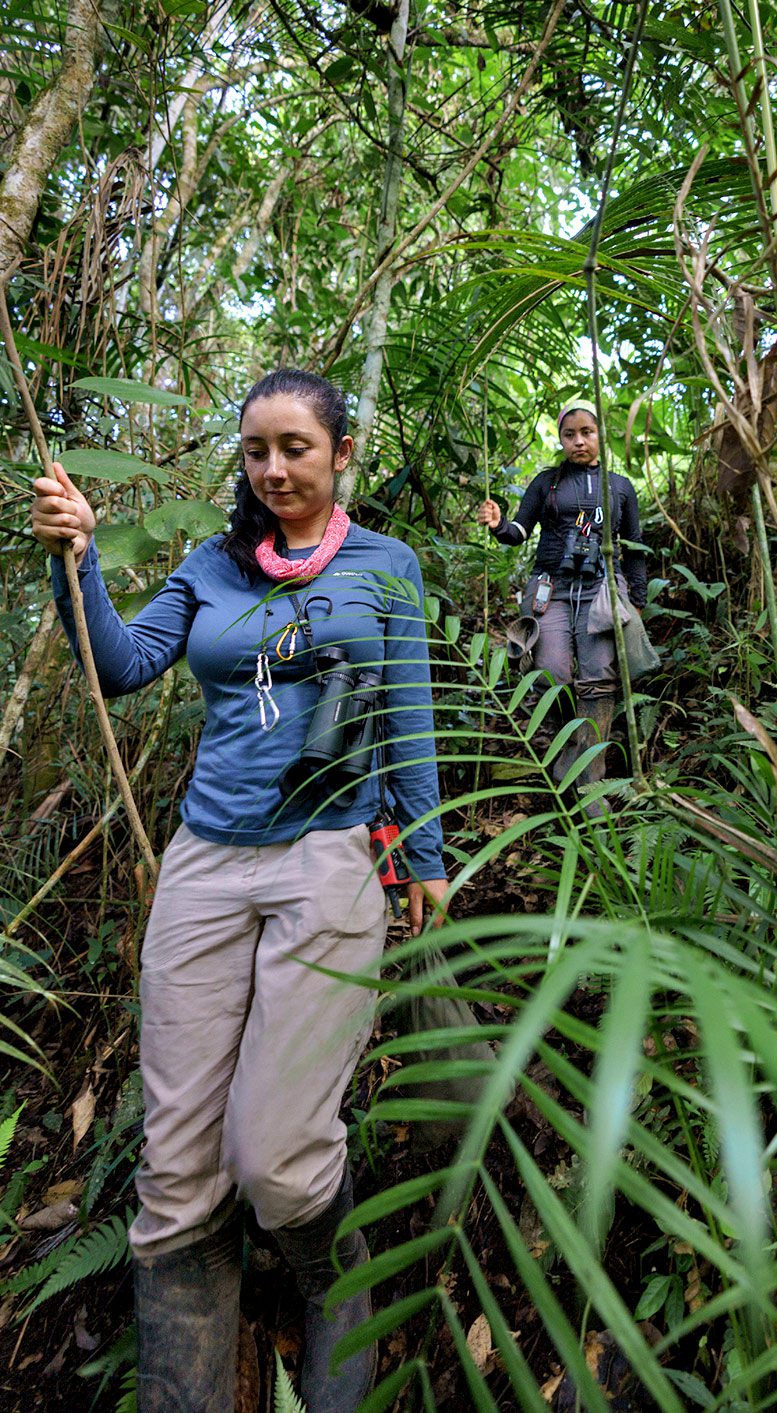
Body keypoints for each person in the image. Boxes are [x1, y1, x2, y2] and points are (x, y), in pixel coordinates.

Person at [31, 368, 448, 1413]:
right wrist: (75, 560)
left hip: (330, 858)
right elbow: (120, 665)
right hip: (206, 865)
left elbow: (408, 718)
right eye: (256, 449)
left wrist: (424, 859)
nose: (272, 469)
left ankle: (333, 1285)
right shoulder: (211, 567)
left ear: (340, 452)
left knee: (280, 1162)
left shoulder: (387, 569)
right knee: (176, 1177)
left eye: (295, 447)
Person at [477, 398, 647, 807]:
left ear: (601, 435)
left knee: (598, 678)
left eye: (587, 432)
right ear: (562, 439)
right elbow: (519, 530)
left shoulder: (619, 486)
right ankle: (566, 753)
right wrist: (499, 524)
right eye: (570, 435)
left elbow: (635, 546)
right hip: (550, 589)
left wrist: (637, 600)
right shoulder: (547, 482)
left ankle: (589, 785)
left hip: (601, 590)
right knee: (550, 673)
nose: (579, 441)